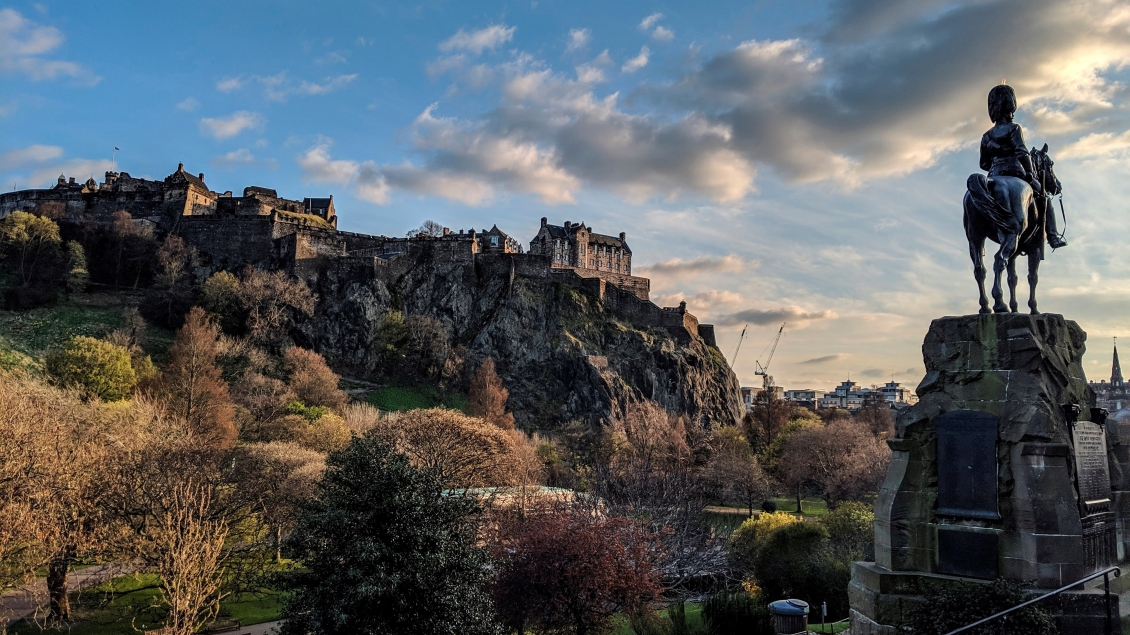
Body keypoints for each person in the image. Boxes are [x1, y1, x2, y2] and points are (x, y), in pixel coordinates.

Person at [979, 84, 1067, 249]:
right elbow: (1022, 152)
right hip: (1017, 173)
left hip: (994, 174)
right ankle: (1053, 237)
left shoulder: (986, 136)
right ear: (1010, 106)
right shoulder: (1014, 128)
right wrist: (1030, 173)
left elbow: (983, 164)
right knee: (1044, 197)